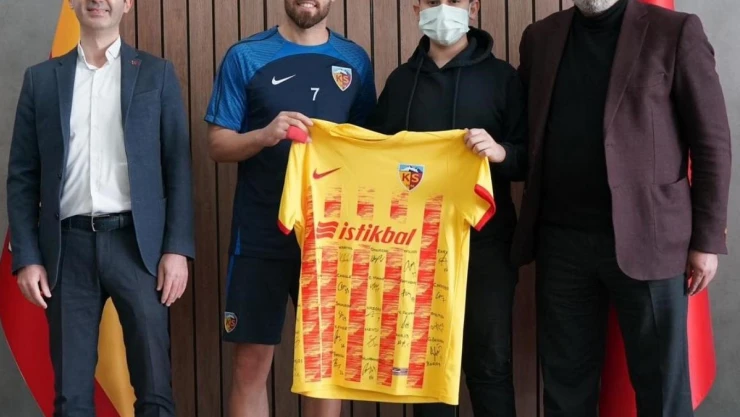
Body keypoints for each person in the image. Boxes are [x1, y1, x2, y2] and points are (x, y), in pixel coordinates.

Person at [513, 0, 732, 416]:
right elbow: (524, 132)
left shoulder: (675, 31)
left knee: (662, 390)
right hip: (561, 244)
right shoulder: (540, 38)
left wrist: (706, 241)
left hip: (652, 240)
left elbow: (712, 143)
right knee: (564, 389)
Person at [6, 0, 195, 415]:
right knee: (71, 399)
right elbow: (22, 176)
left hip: (139, 250)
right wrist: (28, 257)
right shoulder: (41, 80)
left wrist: (177, 248)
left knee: (155, 391)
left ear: (127, 4)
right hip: (66, 252)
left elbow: (177, 166)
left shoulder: (156, 74)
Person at [204, 0, 376, 415]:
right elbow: (217, 144)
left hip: (330, 240)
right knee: (250, 367)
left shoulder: (355, 60)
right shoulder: (246, 55)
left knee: (324, 369)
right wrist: (264, 135)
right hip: (259, 235)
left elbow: (370, 147)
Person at [366, 1, 527, 415]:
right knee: (425, 369)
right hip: (415, 251)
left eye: (454, 0)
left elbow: (529, 158)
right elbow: (372, 158)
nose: (443, 8)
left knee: (490, 365)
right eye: (432, 0)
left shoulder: (503, 78)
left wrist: (501, 152)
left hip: (486, 245)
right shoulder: (401, 82)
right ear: (416, 8)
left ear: (473, 7)